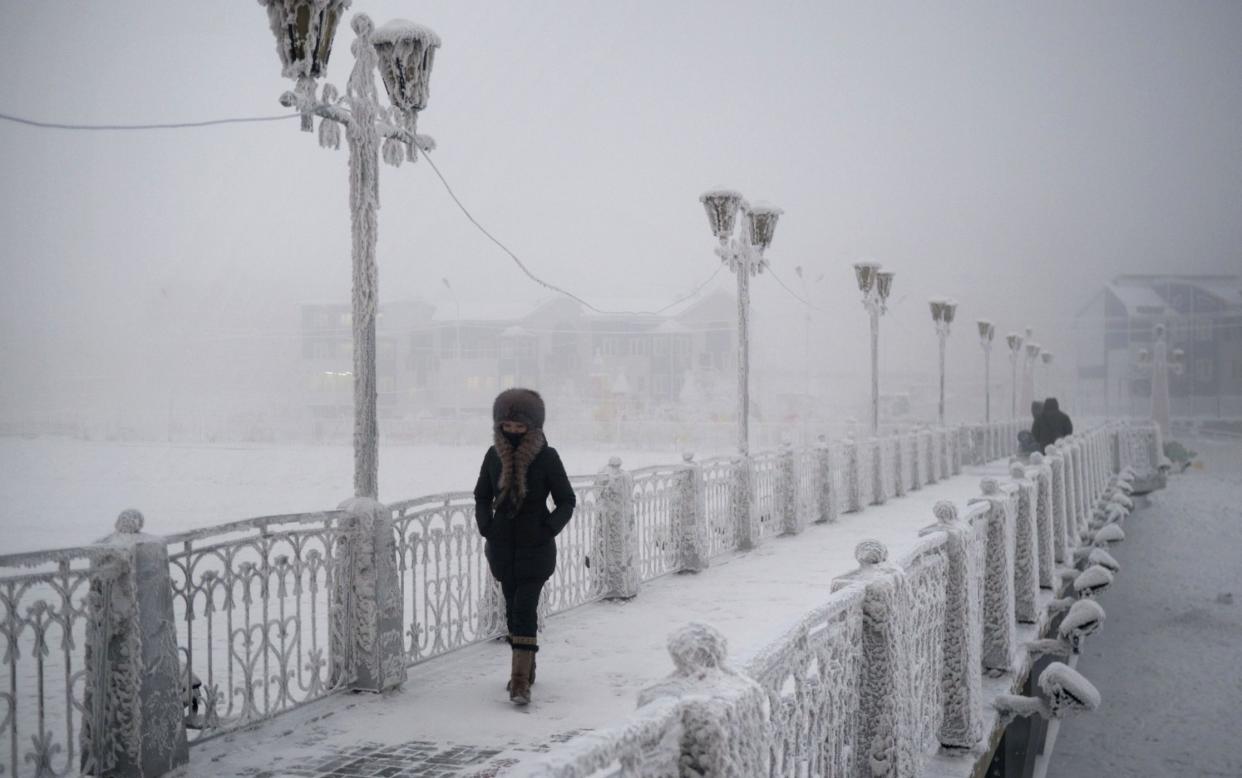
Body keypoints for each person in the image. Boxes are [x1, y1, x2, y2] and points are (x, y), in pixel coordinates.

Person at [474, 388, 576, 705]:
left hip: (536, 548)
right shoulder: (493, 457)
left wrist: (546, 529)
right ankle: (527, 666)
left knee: (524, 608)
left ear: (534, 426)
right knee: (511, 611)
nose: (514, 432)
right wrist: (487, 526)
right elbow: (481, 495)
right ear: (499, 425)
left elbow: (566, 501)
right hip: (503, 547)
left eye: (520, 427)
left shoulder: (548, 457)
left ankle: (519, 681)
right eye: (508, 426)